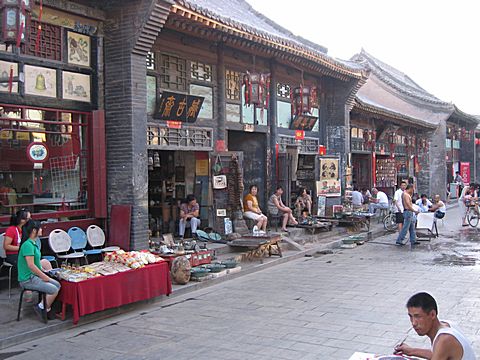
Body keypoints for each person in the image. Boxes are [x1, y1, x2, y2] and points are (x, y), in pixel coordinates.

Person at [394, 292, 476, 359]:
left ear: (432, 314)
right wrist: (411, 351)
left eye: (418, 316)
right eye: (411, 316)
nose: (414, 323)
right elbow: (439, 353)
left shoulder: (444, 339)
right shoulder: (446, 324)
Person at [18, 220, 60, 321]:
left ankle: (44, 307)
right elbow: (31, 265)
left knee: (58, 285)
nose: (41, 230)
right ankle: (43, 308)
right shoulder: (27, 245)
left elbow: (36, 263)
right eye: (39, 228)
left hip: (34, 276)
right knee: (54, 290)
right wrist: (44, 276)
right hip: (28, 279)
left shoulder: (34, 243)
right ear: (34, 230)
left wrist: (46, 271)